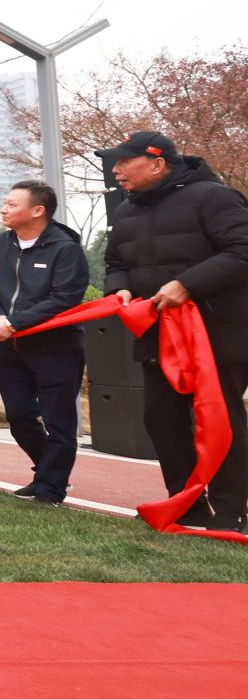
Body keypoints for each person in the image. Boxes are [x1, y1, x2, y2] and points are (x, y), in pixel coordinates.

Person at [99, 131, 248, 532]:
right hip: (158, 335)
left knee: (221, 421)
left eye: (123, 162)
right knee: (161, 419)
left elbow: (242, 252)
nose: (116, 170)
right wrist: (118, 288)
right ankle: (186, 504)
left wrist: (187, 284)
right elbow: (116, 262)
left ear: (157, 163)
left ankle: (231, 512)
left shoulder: (214, 197)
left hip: (218, 334)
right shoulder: (125, 211)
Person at [0, 178, 90, 506]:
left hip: (56, 349)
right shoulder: (0, 244)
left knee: (59, 421)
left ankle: (50, 490)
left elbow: (64, 298)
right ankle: (48, 472)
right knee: (18, 415)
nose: (4, 209)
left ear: (38, 210)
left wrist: (16, 322)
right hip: (11, 347)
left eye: (12, 204)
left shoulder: (65, 249)